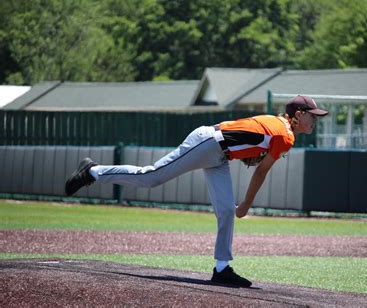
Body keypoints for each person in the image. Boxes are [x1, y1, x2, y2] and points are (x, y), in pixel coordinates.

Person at [65, 95, 328, 287]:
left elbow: (244, 132)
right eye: (311, 114)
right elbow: (260, 171)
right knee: (152, 177)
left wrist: (244, 150)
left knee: (225, 211)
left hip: (220, 153)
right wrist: (247, 204)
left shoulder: (276, 122)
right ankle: (92, 171)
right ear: (297, 115)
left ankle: (222, 267)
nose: (315, 119)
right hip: (208, 144)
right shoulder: (286, 136)